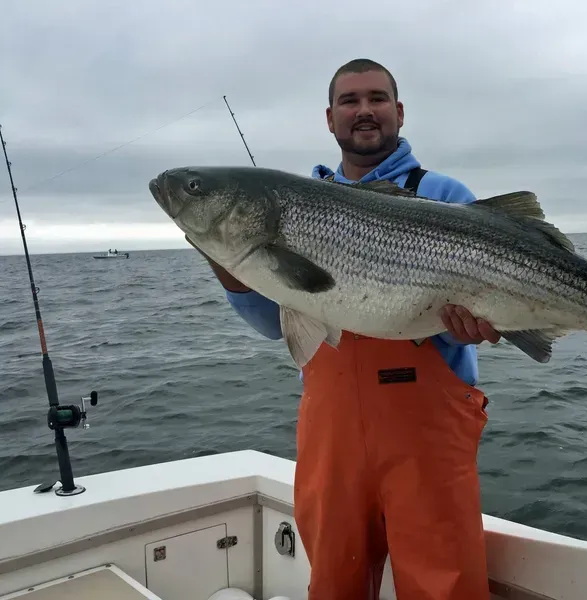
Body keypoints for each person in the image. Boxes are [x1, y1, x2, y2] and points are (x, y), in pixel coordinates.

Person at [192, 58, 499, 599]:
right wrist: (232, 262)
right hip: (331, 430)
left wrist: (469, 328)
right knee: (334, 580)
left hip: (427, 430)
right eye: (349, 101)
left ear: (399, 112)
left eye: (377, 98)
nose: (364, 111)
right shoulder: (296, 201)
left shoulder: (445, 194)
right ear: (329, 118)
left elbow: (468, 314)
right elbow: (275, 321)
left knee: (443, 584)